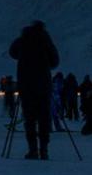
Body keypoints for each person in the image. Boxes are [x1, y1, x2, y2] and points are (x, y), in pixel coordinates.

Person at [8, 20, 59, 160]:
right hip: (43, 85)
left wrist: (24, 57)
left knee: (29, 119)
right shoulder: (46, 40)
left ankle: (33, 150)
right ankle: (44, 150)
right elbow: (55, 61)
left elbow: (12, 52)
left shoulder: (22, 40)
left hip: (26, 85)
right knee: (44, 118)